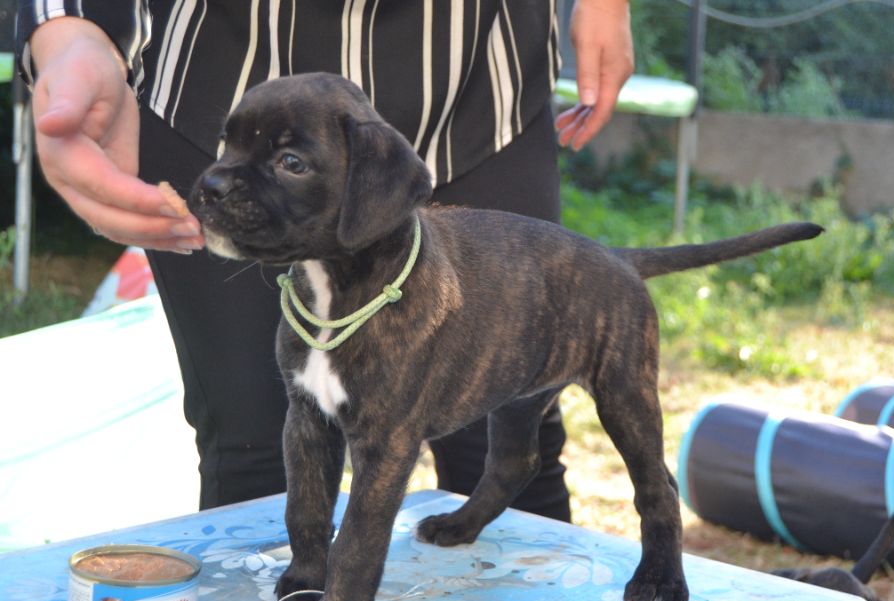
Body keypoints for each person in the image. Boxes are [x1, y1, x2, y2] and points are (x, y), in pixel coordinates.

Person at [17, 0, 634, 517]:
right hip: (229, 71)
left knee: (507, 442)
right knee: (258, 444)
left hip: (476, 82)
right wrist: (69, 27)